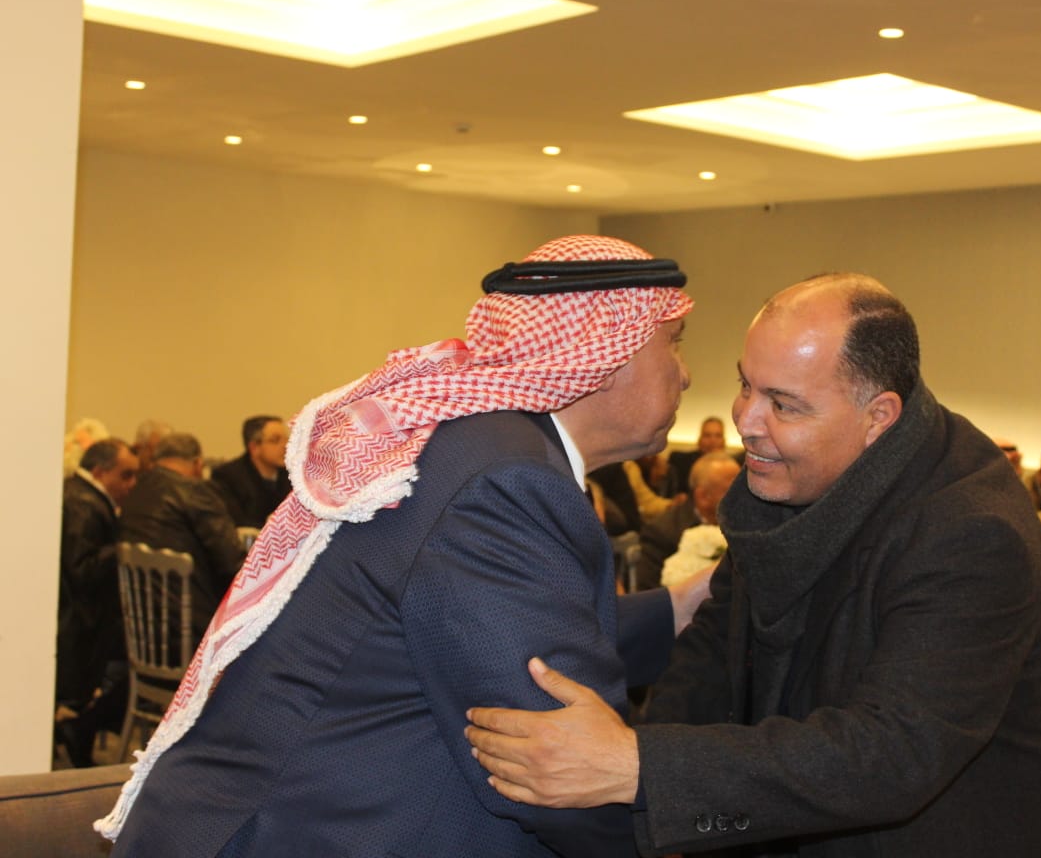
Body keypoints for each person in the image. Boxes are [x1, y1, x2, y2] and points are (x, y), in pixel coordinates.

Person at [97, 235, 711, 857]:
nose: (685, 373)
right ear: (609, 350)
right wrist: (707, 822)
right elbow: (552, 761)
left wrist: (679, 607)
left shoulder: (483, 449)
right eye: (674, 342)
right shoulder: (506, 479)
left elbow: (492, 639)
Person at [467, 272, 1041, 857]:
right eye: (745, 385)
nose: (745, 421)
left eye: (783, 405)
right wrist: (637, 788)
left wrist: (638, 768)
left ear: (879, 417)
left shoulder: (972, 533)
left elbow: (893, 752)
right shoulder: (793, 477)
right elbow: (712, 654)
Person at [56, 437, 139, 766]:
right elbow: (82, 569)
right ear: (100, 472)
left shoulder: (79, 495)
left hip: (81, 618)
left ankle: (77, 731)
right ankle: (78, 733)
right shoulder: (85, 504)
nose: (132, 484)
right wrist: (121, 547)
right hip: (81, 621)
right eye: (126, 475)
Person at [117, 433, 245, 643]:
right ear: (198, 464)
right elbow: (233, 563)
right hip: (190, 627)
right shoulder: (195, 492)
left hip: (142, 628)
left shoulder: (135, 490)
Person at [638, 450, 741, 589]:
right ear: (703, 497)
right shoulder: (663, 532)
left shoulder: (747, 524)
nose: (741, 497)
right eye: (733, 491)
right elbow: (649, 590)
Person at [209, 415, 292, 528]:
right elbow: (235, 522)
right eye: (275, 440)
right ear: (254, 447)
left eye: (286, 439)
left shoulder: (293, 475)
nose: (285, 446)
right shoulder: (227, 477)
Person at [663, 415, 728, 496]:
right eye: (707, 435)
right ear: (699, 440)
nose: (713, 441)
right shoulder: (681, 462)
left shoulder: (733, 467)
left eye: (718, 436)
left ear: (724, 441)